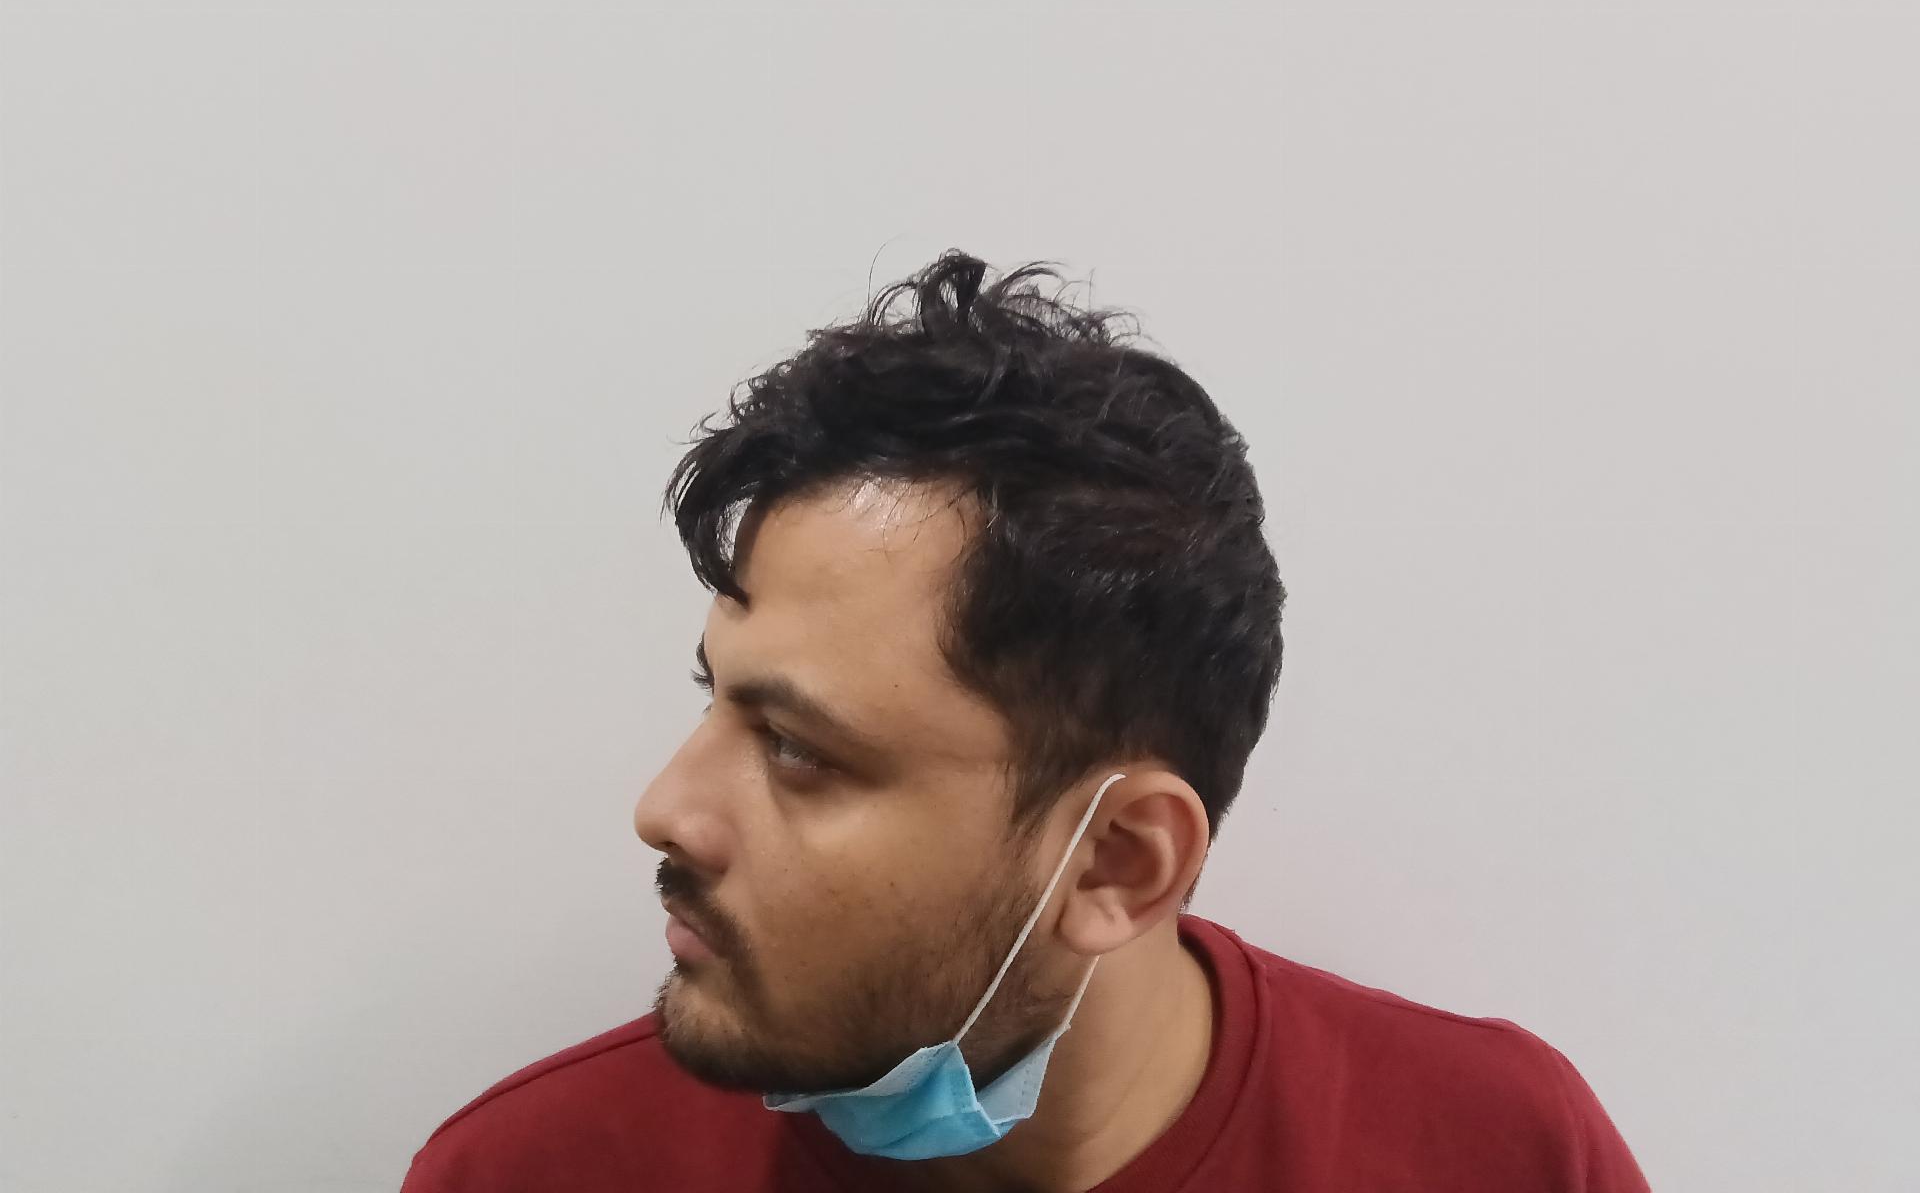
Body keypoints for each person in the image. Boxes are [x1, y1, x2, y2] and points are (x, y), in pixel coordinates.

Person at [399, 252, 1650, 1192]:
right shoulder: (535, 1174)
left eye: (797, 748)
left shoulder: (1498, 1152)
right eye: (714, 698)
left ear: (1116, 862)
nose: (666, 809)